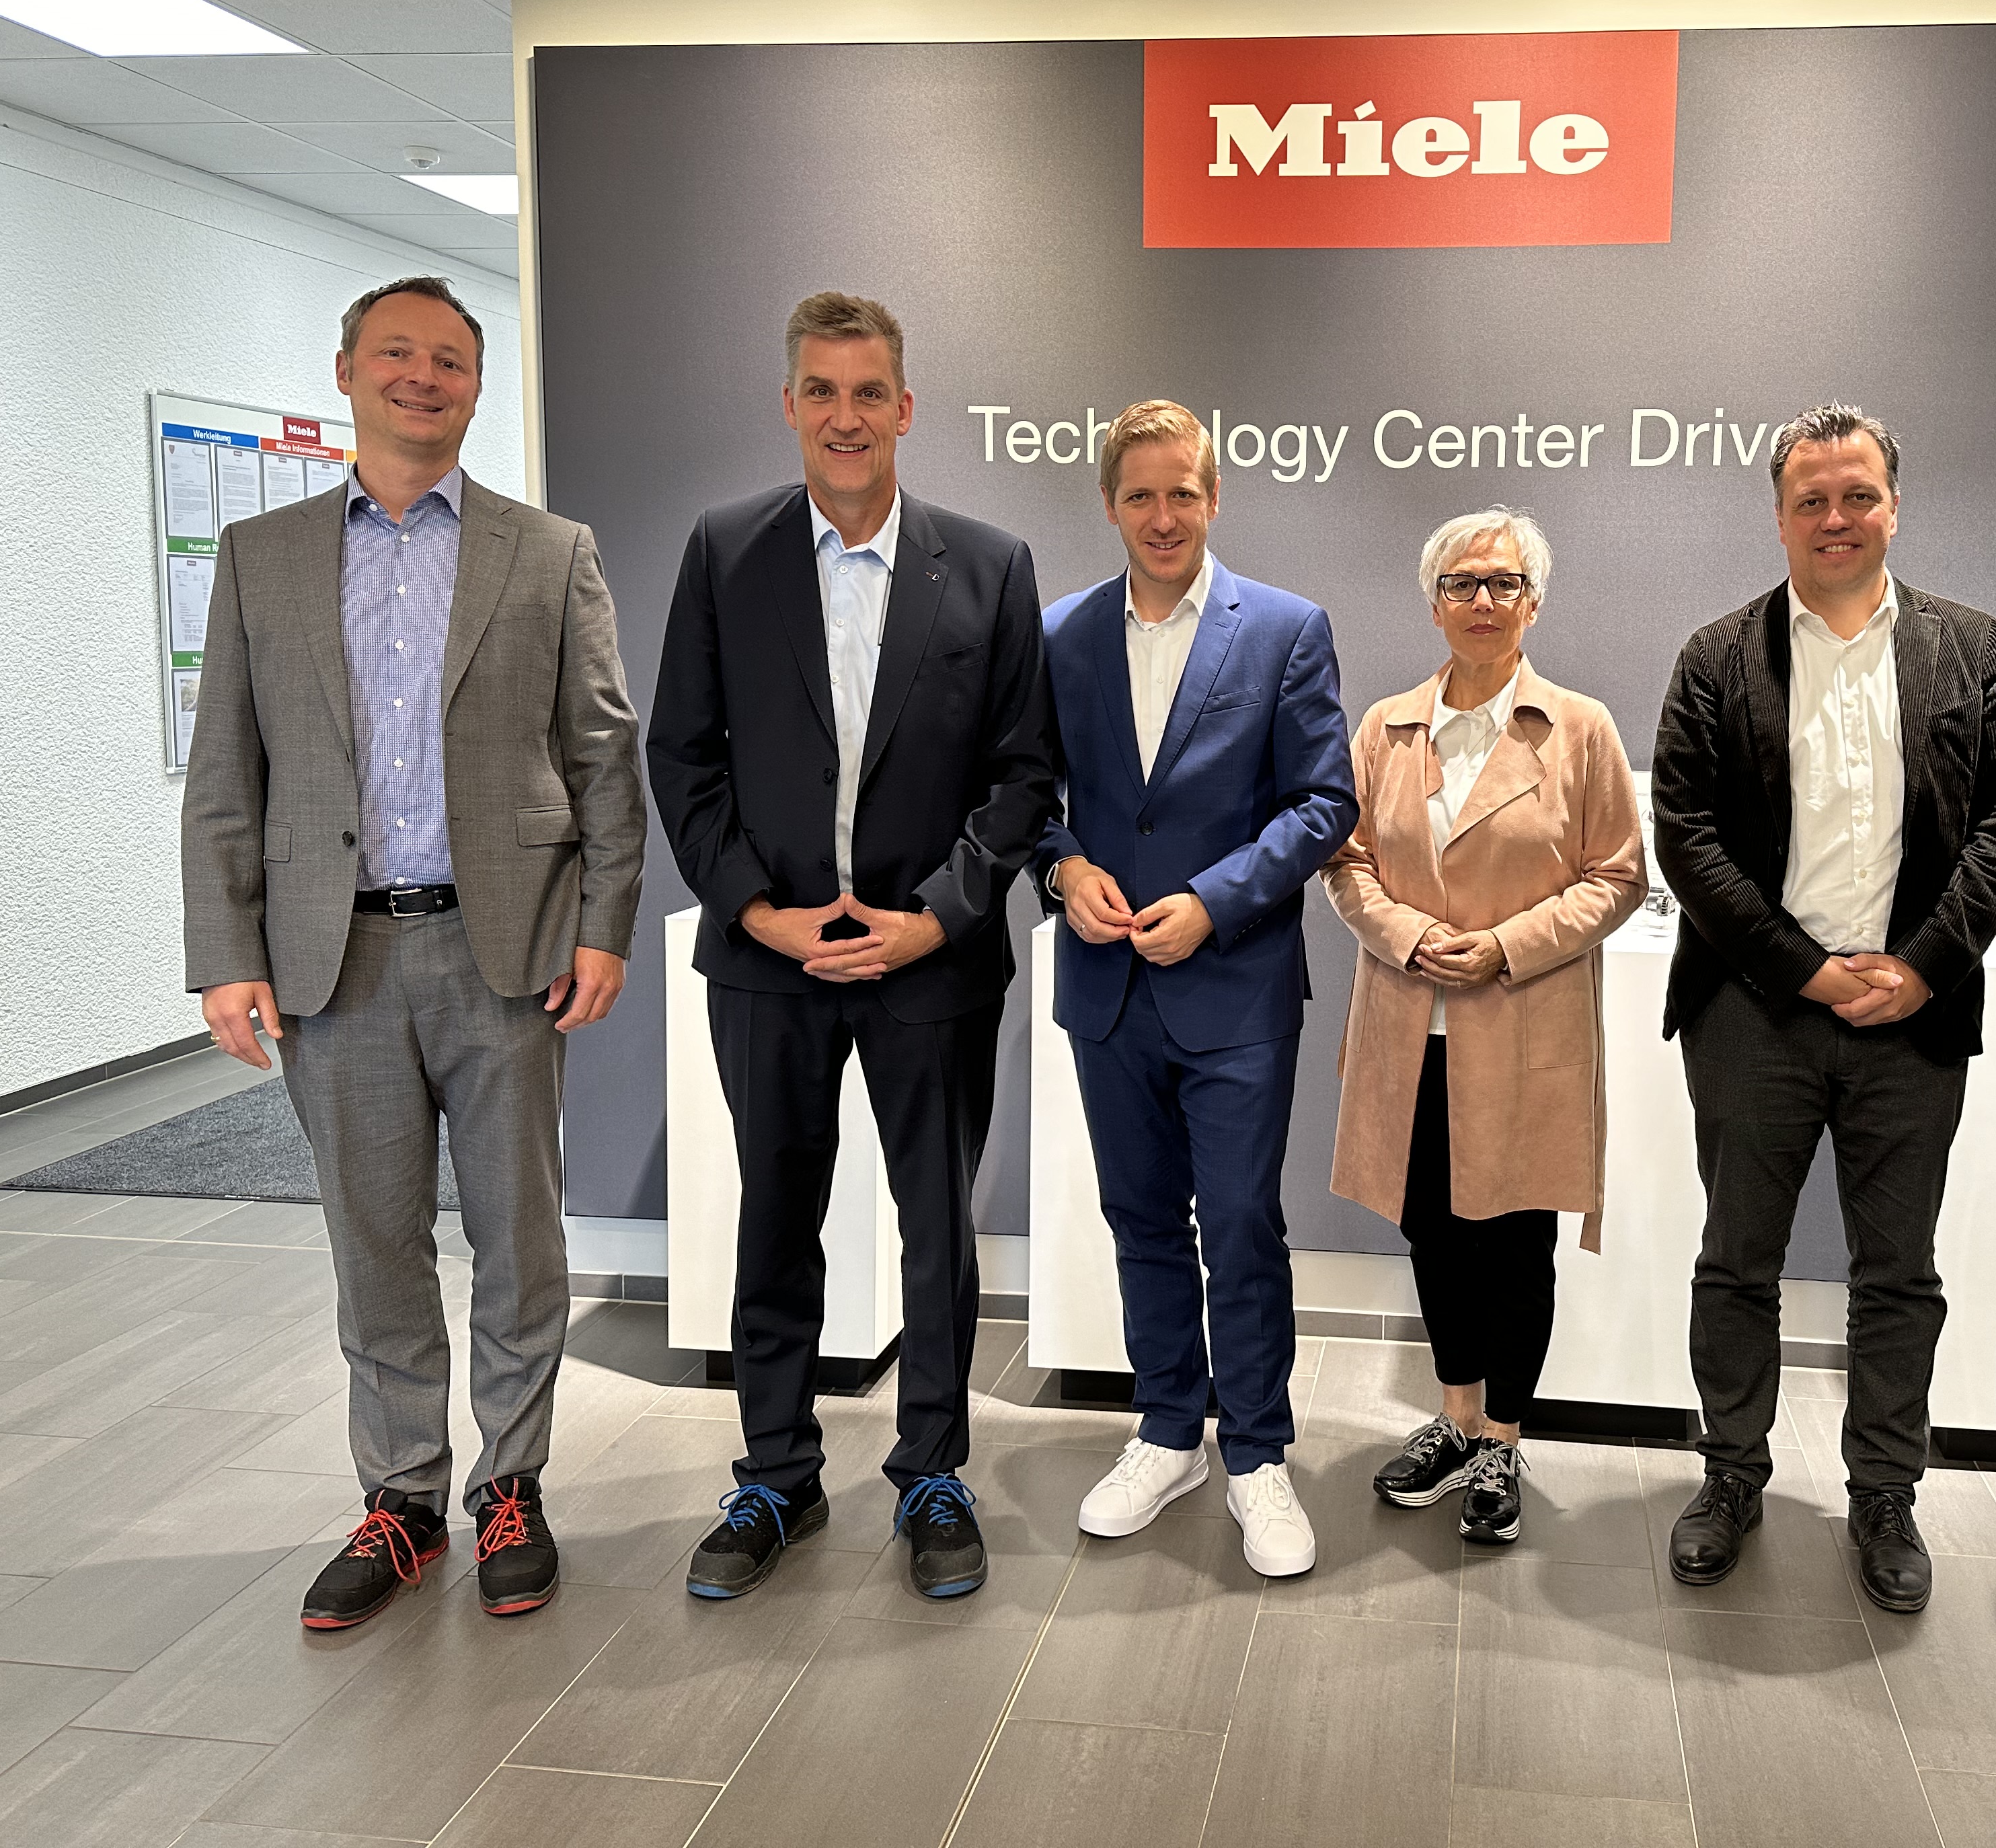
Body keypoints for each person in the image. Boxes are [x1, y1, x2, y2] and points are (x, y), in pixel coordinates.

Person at [183, 275, 646, 1629]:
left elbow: (604, 756)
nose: (422, 377)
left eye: (449, 360)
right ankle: (401, 1500)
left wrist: (605, 926)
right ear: (348, 371)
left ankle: (513, 1488)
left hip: (508, 949)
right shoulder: (261, 556)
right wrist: (224, 951)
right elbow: (227, 772)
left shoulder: (547, 552)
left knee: (520, 1241)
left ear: (477, 386)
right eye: (397, 353)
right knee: (374, 1242)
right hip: (333, 960)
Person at [648, 293, 1057, 1603]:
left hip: (929, 964)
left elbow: (1023, 775)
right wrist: (753, 909)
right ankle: (777, 1473)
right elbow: (683, 754)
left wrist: (935, 915)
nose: (844, 415)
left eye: (868, 391)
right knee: (776, 1219)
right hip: (769, 963)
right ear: (790, 405)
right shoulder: (725, 551)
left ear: (905, 408)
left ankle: (932, 1472)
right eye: (820, 391)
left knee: (937, 1230)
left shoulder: (988, 565)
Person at [1652, 402, 1996, 1613]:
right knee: (1737, 1264)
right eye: (1811, 499)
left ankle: (1885, 1495)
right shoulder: (1718, 656)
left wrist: (1921, 967)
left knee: (1899, 1274)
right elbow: (1688, 835)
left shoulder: (1971, 647)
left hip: (1914, 1014)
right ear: (1779, 517)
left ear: (1893, 508)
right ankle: (1730, 1476)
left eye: (1858, 494)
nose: (1836, 517)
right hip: (1754, 1010)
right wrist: (1805, 971)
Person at [1038, 401, 1357, 1578]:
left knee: (1239, 1225)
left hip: (1233, 987)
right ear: (1110, 505)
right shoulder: (1060, 634)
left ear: (1214, 497)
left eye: (1183, 492)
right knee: (1141, 1221)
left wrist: (1215, 902)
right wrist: (1062, 869)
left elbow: (1325, 803)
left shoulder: (1284, 628)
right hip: (1107, 988)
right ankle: (1169, 1431)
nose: (1163, 516)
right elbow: (1027, 796)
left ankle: (1258, 1456)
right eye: (1141, 495)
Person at [1323, 508, 1646, 1544]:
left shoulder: (1581, 728)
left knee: (1514, 1243)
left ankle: (1504, 1438)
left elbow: (1618, 876)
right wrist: (1412, 936)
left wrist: (1506, 945)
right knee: (1431, 1231)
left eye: (1504, 583)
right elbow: (1346, 861)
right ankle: (1457, 1420)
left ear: (1533, 603)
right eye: (1462, 583)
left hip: (1524, 1023)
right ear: (1434, 604)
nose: (1483, 600)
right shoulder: (1385, 728)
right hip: (1408, 1024)